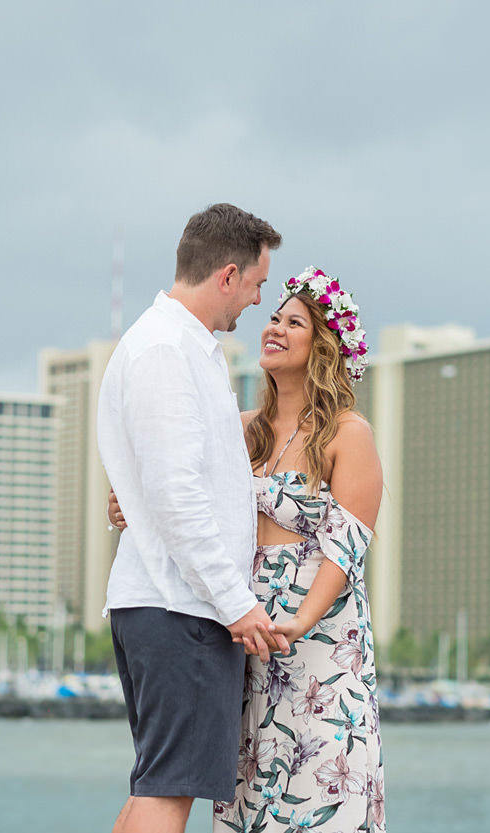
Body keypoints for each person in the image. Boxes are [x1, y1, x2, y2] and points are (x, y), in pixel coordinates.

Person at [110, 265, 386, 832]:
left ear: (324, 346)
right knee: (237, 787)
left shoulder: (347, 433)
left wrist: (297, 624)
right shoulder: (239, 428)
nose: (274, 328)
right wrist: (128, 506)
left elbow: (346, 546)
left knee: (315, 787)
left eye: (294, 322)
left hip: (318, 642)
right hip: (236, 628)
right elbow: (168, 481)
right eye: (273, 317)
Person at [97, 203, 289, 833]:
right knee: (169, 790)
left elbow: (170, 483)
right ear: (227, 274)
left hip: (170, 600)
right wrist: (237, 605)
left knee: (158, 782)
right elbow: (177, 494)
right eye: (259, 285)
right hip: (181, 605)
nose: (258, 301)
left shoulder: (179, 348)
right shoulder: (165, 349)